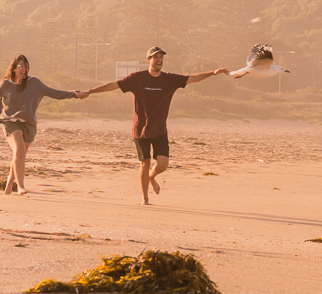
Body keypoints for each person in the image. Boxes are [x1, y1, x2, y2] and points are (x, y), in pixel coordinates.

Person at [82, 46, 229, 205]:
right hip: (140, 129)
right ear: (149, 60)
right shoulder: (137, 78)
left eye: (161, 57)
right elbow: (114, 85)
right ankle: (145, 199)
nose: (159, 60)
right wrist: (90, 91)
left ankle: (151, 177)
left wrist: (213, 72)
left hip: (159, 129)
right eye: (156, 57)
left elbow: (192, 78)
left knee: (163, 164)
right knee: (144, 164)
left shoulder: (169, 79)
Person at [0, 54, 81, 195]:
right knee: (19, 151)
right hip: (11, 122)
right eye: (21, 66)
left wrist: (74, 94)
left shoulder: (34, 83)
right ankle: (20, 187)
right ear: (14, 69)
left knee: (19, 156)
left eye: (26, 66)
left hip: (29, 124)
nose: (24, 69)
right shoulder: (6, 85)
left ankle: (8, 184)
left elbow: (54, 93)